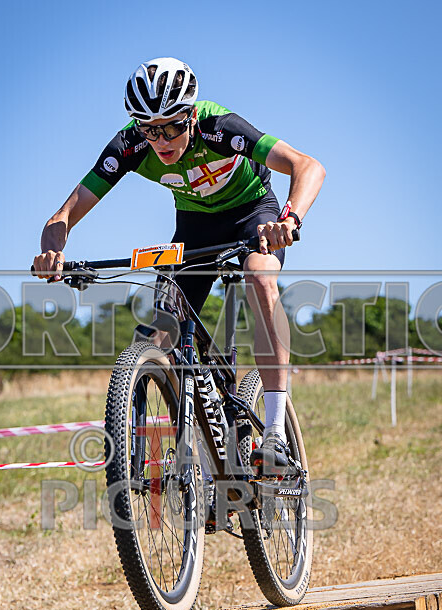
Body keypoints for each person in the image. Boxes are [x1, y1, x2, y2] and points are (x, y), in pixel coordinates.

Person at [33, 57, 325, 472]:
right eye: (150, 129)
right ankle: (197, 456)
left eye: (172, 126)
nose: (162, 139)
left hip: (252, 215)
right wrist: (52, 252)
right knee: (162, 331)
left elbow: (307, 165)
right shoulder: (130, 146)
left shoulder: (218, 127)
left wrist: (289, 220)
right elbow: (61, 217)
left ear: (190, 115)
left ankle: (275, 432)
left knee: (260, 278)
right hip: (195, 228)